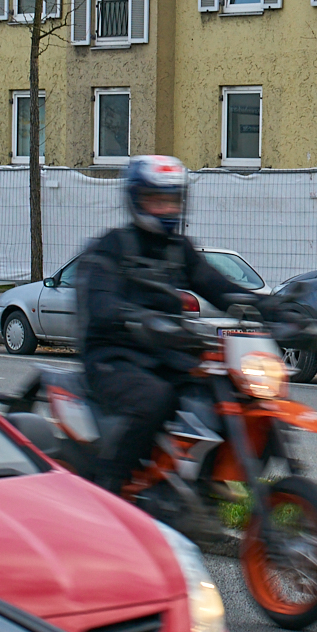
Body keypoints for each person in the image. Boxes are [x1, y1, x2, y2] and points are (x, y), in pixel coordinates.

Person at [76, 154, 259, 493]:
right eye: (155, 199)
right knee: (155, 399)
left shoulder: (178, 248)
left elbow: (218, 286)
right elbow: (101, 302)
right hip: (113, 358)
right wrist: (136, 318)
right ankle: (109, 488)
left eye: (171, 200)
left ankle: (201, 479)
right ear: (135, 199)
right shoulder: (113, 246)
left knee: (226, 391)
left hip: (165, 355)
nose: (164, 208)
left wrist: (274, 306)